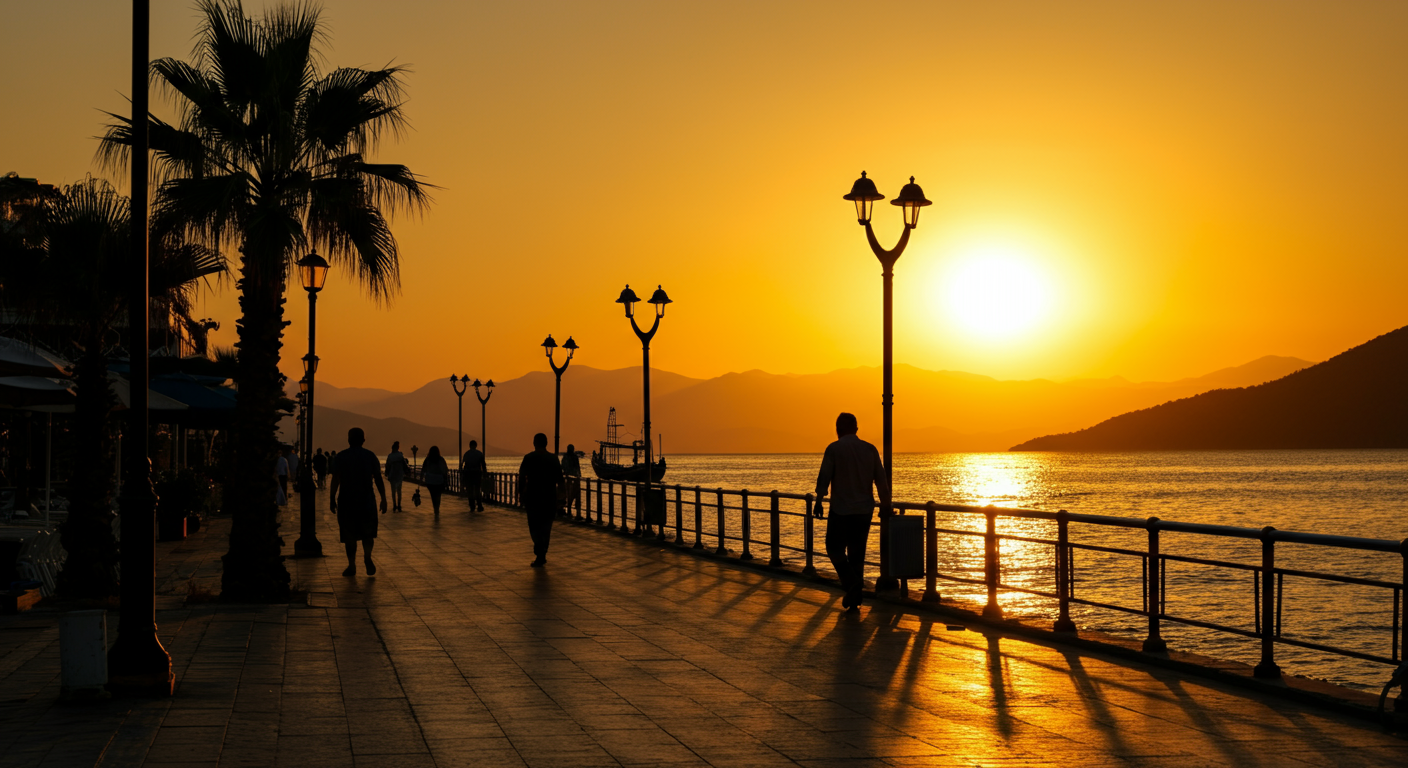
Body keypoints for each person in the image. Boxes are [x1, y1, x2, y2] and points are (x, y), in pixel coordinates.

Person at [814, 412, 890, 612]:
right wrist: (885, 504)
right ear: (856, 429)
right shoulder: (869, 449)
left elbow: (825, 478)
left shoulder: (834, 449)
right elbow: (881, 480)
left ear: (837, 429)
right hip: (864, 510)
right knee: (857, 553)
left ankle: (851, 583)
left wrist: (819, 500)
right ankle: (854, 596)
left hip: (841, 509)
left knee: (834, 548)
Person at [329, 427, 387, 577]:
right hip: (367, 500)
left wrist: (331, 498)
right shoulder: (370, 456)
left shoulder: (341, 457)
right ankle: (367, 557)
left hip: (347, 501)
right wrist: (384, 498)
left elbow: (336, 479)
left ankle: (352, 565)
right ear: (363, 440)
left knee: (349, 535)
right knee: (368, 534)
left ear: (348, 440)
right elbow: (378, 479)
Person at [518, 433, 564, 567]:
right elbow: (560, 480)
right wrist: (562, 497)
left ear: (534, 443)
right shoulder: (553, 459)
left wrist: (521, 493)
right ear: (546, 443)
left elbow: (521, 478)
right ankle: (542, 551)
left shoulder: (529, 458)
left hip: (533, 497)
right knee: (546, 526)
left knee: (534, 525)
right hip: (550, 496)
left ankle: (539, 551)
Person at [421, 446, 448, 516]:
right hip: (439, 480)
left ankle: (435, 508)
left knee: (433, 495)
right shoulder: (441, 459)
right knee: (438, 495)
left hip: (430, 480)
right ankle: (437, 508)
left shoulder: (428, 459)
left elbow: (423, 469)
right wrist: (446, 479)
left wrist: (421, 480)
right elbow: (445, 470)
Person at [461, 440, 487, 512]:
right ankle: (479, 505)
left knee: (470, 490)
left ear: (469, 446)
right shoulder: (479, 454)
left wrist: (462, 474)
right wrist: (484, 473)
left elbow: (463, 464)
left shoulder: (467, 454)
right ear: (476, 445)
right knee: (477, 490)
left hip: (468, 474)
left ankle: (472, 506)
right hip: (477, 474)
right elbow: (483, 464)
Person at [560, 444, 582, 517]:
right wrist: (579, 476)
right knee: (574, 495)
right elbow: (577, 467)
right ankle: (576, 513)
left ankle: (570, 510)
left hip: (569, 478)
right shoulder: (573, 457)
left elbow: (563, 466)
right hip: (573, 478)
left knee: (570, 495)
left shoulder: (566, 457)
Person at [386, 441, 408, 512]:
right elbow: (404, 465)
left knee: (393, 491)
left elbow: (387, 466)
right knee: (399, 490)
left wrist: (387, 473)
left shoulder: (390, 456)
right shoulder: (400, 455)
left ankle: (394, 505)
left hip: (392, 475)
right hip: (399, 474)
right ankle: (399, 505)